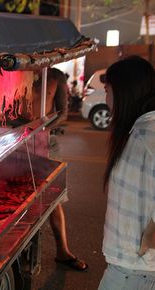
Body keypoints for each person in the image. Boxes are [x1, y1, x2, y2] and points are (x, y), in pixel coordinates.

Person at [17, 67, 88, 271]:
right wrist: (23, 128)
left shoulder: (56, 76)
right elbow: (9, 109)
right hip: (21, 139)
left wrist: (42, 129)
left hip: (47, 140)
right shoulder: (18, 72)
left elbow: (63, 112)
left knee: (52, 196)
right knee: (19, 196)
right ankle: (20, 250)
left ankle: (62, 251)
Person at [98, 56, 155, 289]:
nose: (105, 98)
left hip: (135, 271)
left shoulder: (147, 136)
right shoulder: (140, 130)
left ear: (124, 92)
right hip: (131, 267)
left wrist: (148, 241)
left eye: (107, 90)